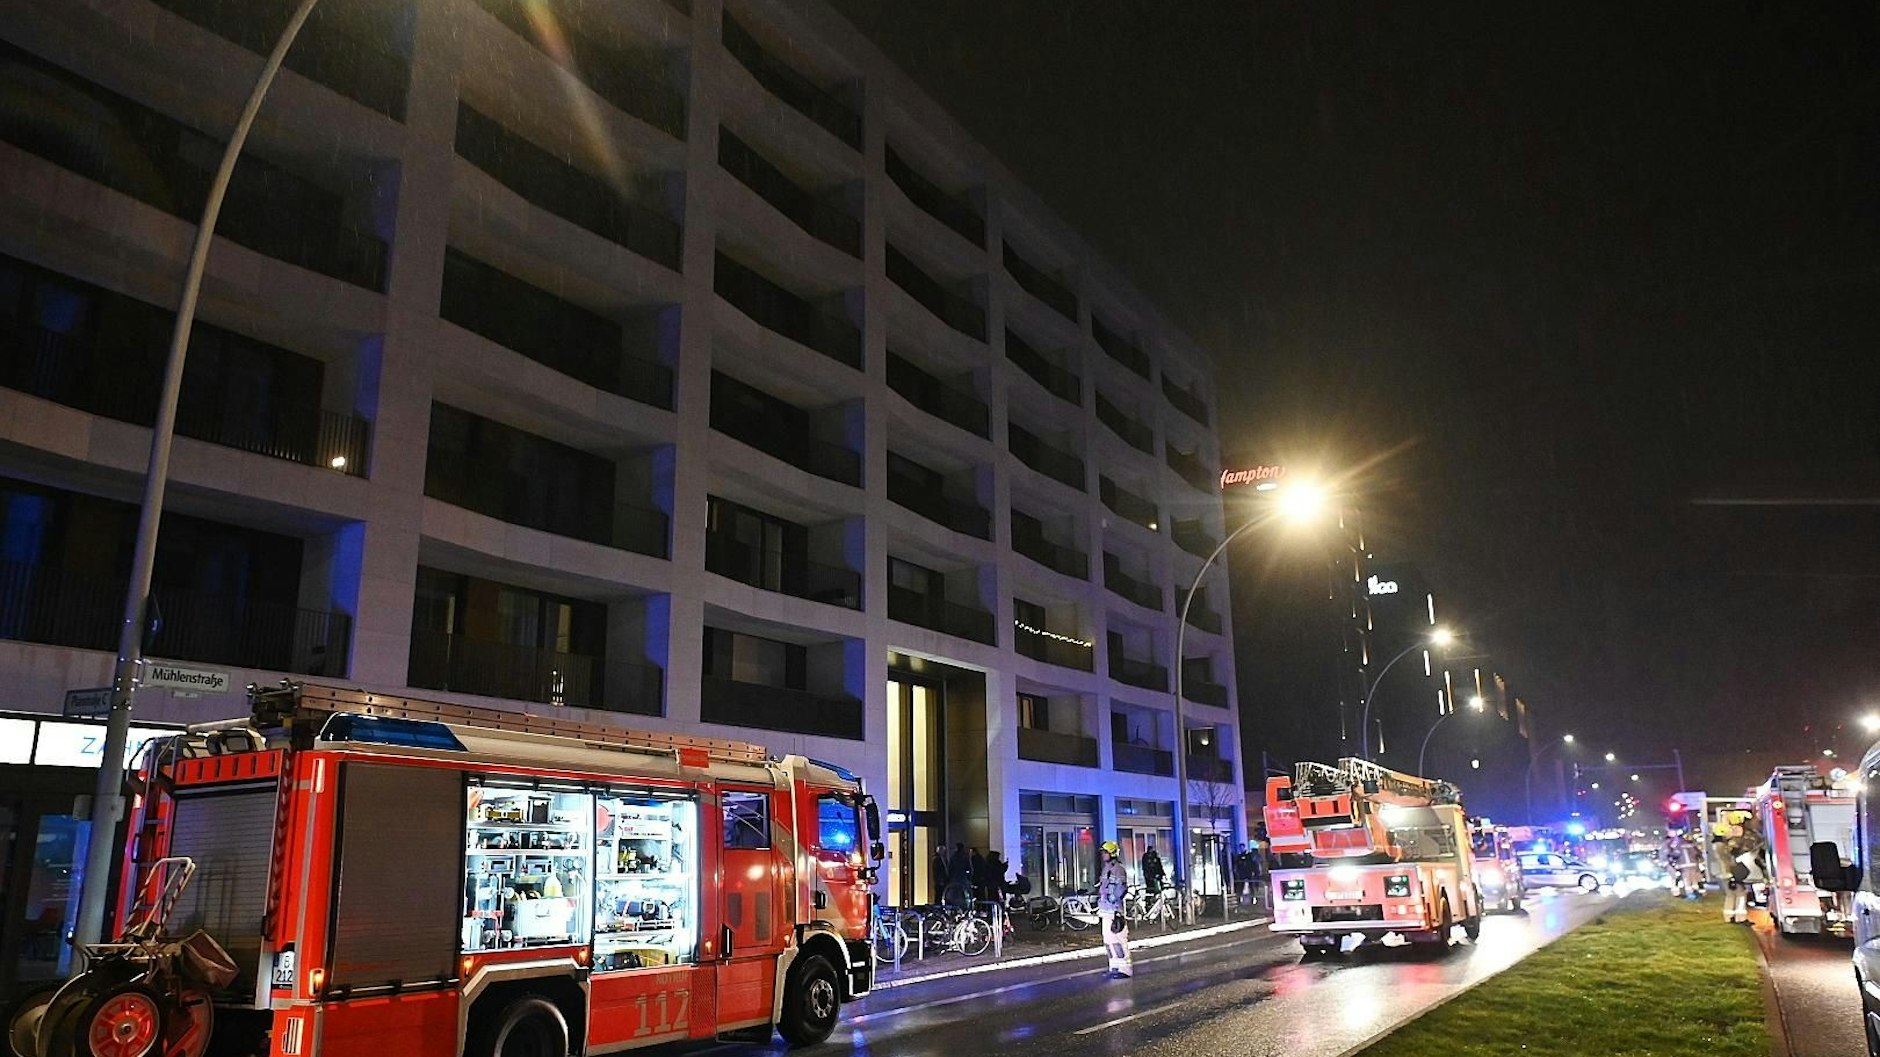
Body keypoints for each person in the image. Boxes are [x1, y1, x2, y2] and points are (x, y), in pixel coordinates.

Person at [1097, 840, 1132, 978]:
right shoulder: (1106, 868)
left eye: (1105, 852)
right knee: (1108, 939)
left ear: (1112, 853)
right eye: (1103, 853)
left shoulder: (1119, 869)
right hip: (1106, 910)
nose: (1103, 855)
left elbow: (1121, 888)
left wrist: (1113, 900)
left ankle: (1125, 969)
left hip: (1115, 910)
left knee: (1119, 939)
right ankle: (1114, 966)